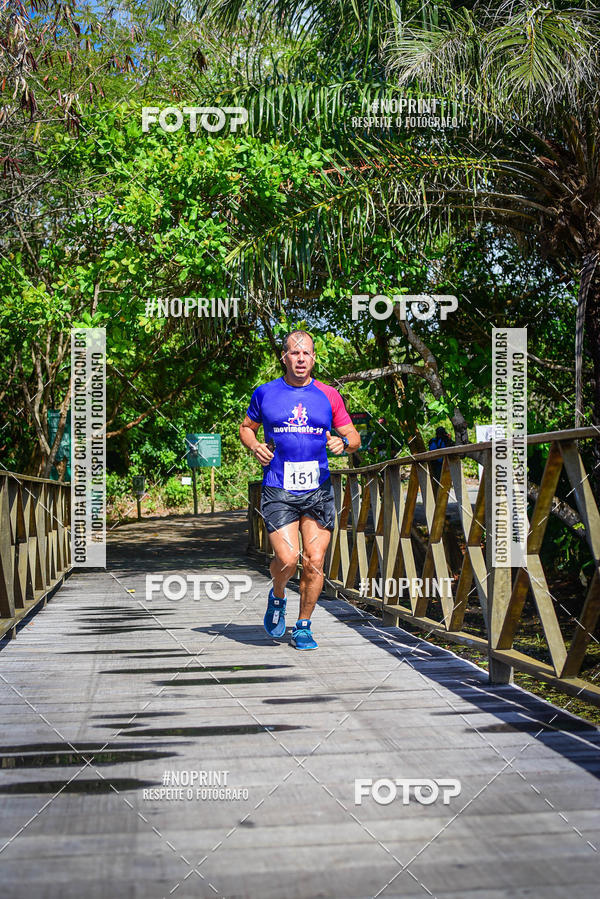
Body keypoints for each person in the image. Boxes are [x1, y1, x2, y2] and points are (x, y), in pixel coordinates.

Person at [239, 330, 361, 650]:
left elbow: (354, 437)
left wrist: (343, 442)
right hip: (279, 487)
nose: (301, 359)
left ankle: (303, 625)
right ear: (284, 358)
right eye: (295, 353)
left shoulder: (329, 395)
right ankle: (278, 594)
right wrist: (254, 446)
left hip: (317, 488)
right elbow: (246, 428)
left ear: (314, 358)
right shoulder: (265, 393)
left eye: (306, 353)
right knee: (288, 558)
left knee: (315, 560)